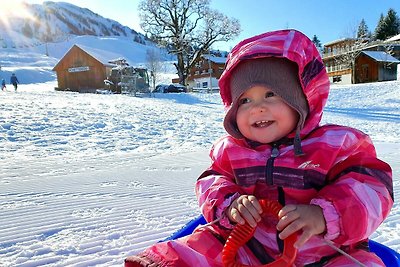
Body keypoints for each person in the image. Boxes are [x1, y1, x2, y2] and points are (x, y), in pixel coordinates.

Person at [125, 29, 393, 266]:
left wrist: (326, 214)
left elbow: (372, 188)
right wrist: (230, 204)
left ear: (302, 99)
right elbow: (211, 181)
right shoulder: (231, 150)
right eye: (244, 101)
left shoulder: (338, 145)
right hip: (247, 247)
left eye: (271, 94)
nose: (257, 107)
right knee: (194, 250)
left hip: (324, 254)